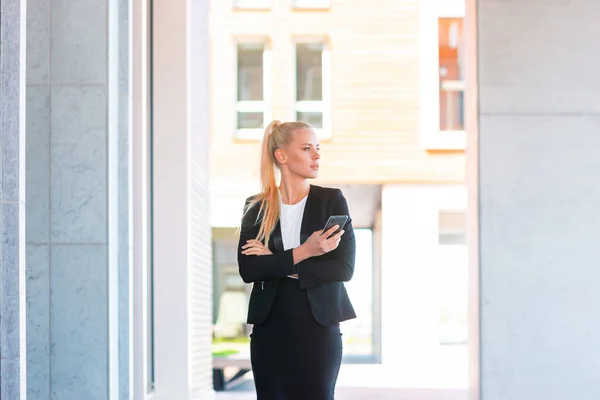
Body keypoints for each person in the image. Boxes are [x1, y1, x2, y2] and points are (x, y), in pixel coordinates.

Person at [237, 120, 357, 400]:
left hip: (319, 329)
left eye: (317, 149)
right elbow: (250, 269)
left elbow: (343, 268)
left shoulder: (332, 201)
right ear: (282, 155)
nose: (316, 155)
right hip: (270, 330)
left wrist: (276, 262)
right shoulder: (257, 206)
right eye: (306, 148)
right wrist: (307, 250)